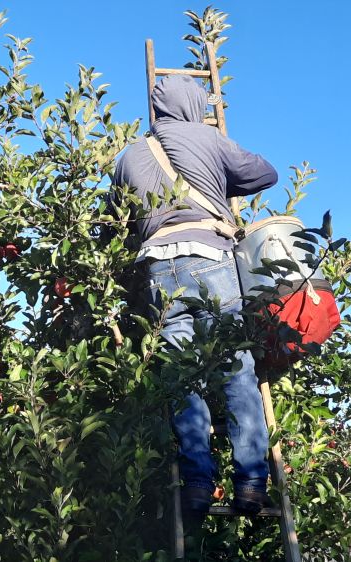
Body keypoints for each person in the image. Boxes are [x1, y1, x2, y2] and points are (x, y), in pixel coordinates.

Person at [112, 74, 278, 515]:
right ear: (193, 104)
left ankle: (198, 484)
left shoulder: (128, 156)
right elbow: (266, 173)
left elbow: (118, 221)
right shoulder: (208, 137)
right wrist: (220, 177)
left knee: (181, 377)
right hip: (211, 257)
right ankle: (250, 482)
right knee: (235, 369)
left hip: (157, 272)